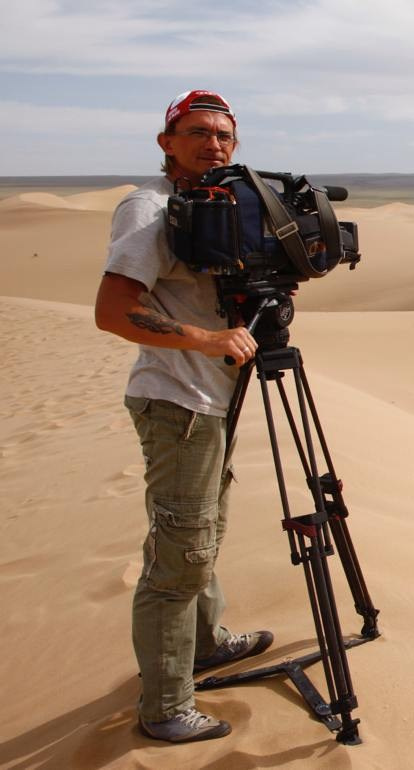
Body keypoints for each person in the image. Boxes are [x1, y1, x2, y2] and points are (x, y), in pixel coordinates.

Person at [95, 90, 273, 743]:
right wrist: (207, 339)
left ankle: (206, 644)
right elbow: (114, 310)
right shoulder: (150, 209)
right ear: (167, 142)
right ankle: (166, 706)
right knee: (181, 557)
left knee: (204, 535)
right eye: (197, 132)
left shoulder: (220, 205)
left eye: (224, 135)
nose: (213, 145)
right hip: (178, 401)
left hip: (211, 401)